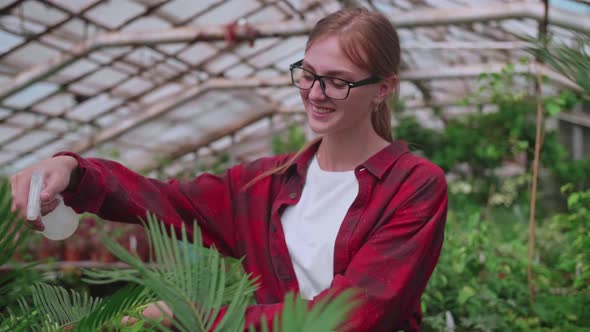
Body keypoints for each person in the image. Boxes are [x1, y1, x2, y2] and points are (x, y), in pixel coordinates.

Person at [10, 7, 447, 332]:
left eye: (337, 80)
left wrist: (191, 317)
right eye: (307, 74)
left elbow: (352, 316)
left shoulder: (413, 186)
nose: (314, 93)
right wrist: (73, 169)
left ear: (383, 89)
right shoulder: (264, 184)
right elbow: (165, 200)